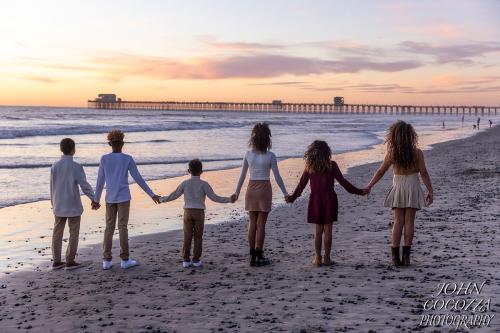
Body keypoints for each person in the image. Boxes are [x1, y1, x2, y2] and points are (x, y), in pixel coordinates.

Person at [286, 141, 366, 267]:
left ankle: (318, 258)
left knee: (318, 230)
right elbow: (343, 183)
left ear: (312, 153)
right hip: (329, 199)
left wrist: (292, 198)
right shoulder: (331, 165)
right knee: (328, 230)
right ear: (327, 152)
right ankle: (327, 258)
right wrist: (359, 192)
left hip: (316, 200)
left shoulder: (309, 166)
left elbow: (301, 185)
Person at [365, 121, 433, 267]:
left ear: (394, 136)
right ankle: (406, 257)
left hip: (399, 185)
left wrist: (370, 185)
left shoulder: (392, 153)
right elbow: (424, 173)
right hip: (413, 185)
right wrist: (430, 190)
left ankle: (395, 258)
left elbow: (380, 171)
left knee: (398, 221)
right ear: (411, 136)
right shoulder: (417, 153)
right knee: (409, 221)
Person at [94, 130, 161, 270]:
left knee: (109, 228)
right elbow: (138, 178)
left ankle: (106, 260)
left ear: (109, 143)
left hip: (110, 198)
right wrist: (152, 194)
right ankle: (125, 259)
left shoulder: (104, 159)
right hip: (124, 197)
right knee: (122, 227)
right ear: (123, 143)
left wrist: (96, 199)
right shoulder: (127, 158)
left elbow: (100, 181)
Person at [160, 159, 235, 268]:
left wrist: (161, 199)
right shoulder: (204, 184)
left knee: (187, 236)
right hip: (199, 213)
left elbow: (174, 195)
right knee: (198, 237)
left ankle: (185, 260)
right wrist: (229, 199)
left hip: (188, 212)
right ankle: (196, 260)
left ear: (188, 170)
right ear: (201, 171)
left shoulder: (185, 183)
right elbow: (215, 198)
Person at [232, 123, 288, 266]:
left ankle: (252, 255)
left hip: (251, 188)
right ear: (267, 138)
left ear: (253, 138)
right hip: (264, 189)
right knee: (261, 224)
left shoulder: (248, 154)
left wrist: (237, 192)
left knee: (252, 223)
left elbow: (242, 176)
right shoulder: (271, 156)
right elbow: (277, 177)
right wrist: (285, 193)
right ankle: (259, 254)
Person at [50, 138, 96, 270]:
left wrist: (53, 203)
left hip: (58, 204)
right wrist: (93, 198)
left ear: (61, 149)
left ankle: (57, 261)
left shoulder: (55, 165)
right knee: (73, 232)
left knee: (57, 233)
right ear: (73, 149)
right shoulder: (76, 166)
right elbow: (84, 185)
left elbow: (52, 186)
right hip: (73, 204)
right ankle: (70, 260)